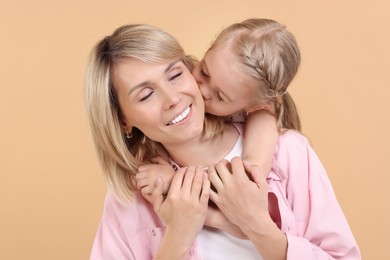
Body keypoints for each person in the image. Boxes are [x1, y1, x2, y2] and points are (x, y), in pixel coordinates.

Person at [85, 21, 360, 259]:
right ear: (123, 120)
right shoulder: (130, 197)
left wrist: (256, 224)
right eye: (145, 95)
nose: (173, 99)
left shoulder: (287, 153)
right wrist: (177, 237)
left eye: (175, 74)